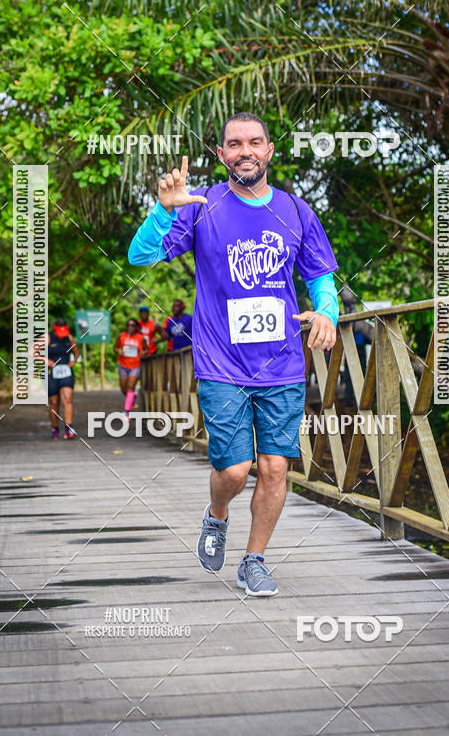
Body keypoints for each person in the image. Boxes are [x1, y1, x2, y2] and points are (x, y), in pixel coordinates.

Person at [128, 112, 339, 596]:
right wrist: (163, 210)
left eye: (255, 142)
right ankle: (216, 514)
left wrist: (327, 312)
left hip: (283, 360)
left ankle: (255, 560)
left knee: (275, 467)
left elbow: (321, 280)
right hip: (222, 362)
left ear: (269, 150)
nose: (246, 150)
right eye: (234, 144)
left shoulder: (295, 210)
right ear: (221, 154)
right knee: (234, 470)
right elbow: (139, 256)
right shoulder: (201, 206)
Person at [43, 318, 80, 440]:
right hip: (51, 373)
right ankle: (55, 428)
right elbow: (31, 352)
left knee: (67, 399)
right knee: (54, 402)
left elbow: (76, 352)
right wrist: (46, 360)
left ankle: (69, 428)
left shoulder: (69, 338)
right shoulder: (47, 337)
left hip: (66, 372)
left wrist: (74, 361)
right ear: (54, 329)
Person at [113, 318, 147, 417]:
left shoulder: (140, 338)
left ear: (136, 327)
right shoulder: (121, 336)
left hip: (135, 365)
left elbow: (146, 349)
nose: (129, 327)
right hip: (123, 365)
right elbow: (115, 347)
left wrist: (143, 353)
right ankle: (132, 397)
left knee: (130, 387)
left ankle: (126, 411)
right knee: (123, 388)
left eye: (132, 325)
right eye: (128, 325)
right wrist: (118, 351)